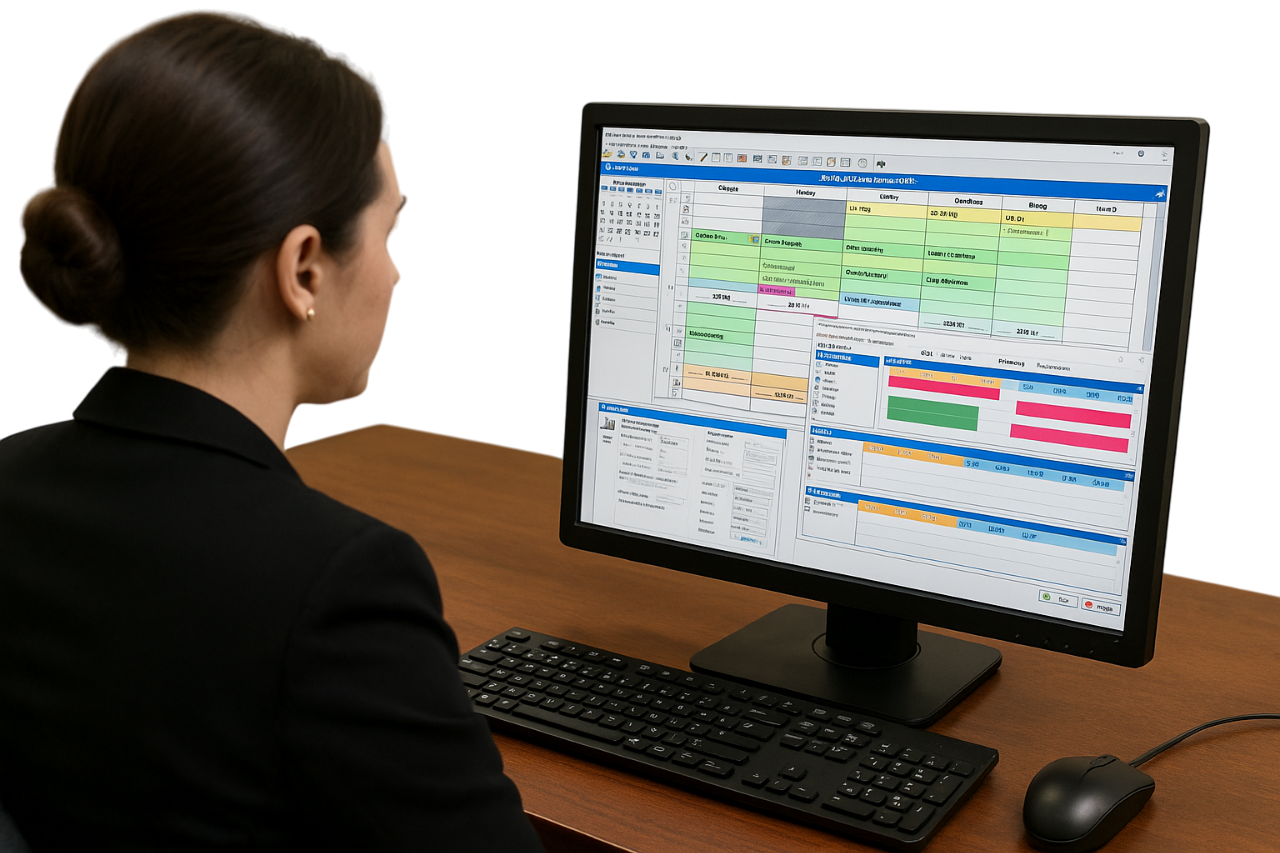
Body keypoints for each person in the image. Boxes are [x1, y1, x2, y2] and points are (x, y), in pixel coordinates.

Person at [1, 10, 544, 851]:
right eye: (390, 230)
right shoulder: (339, 582)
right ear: (302, 270)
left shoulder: (12, 482)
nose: (397, 271)